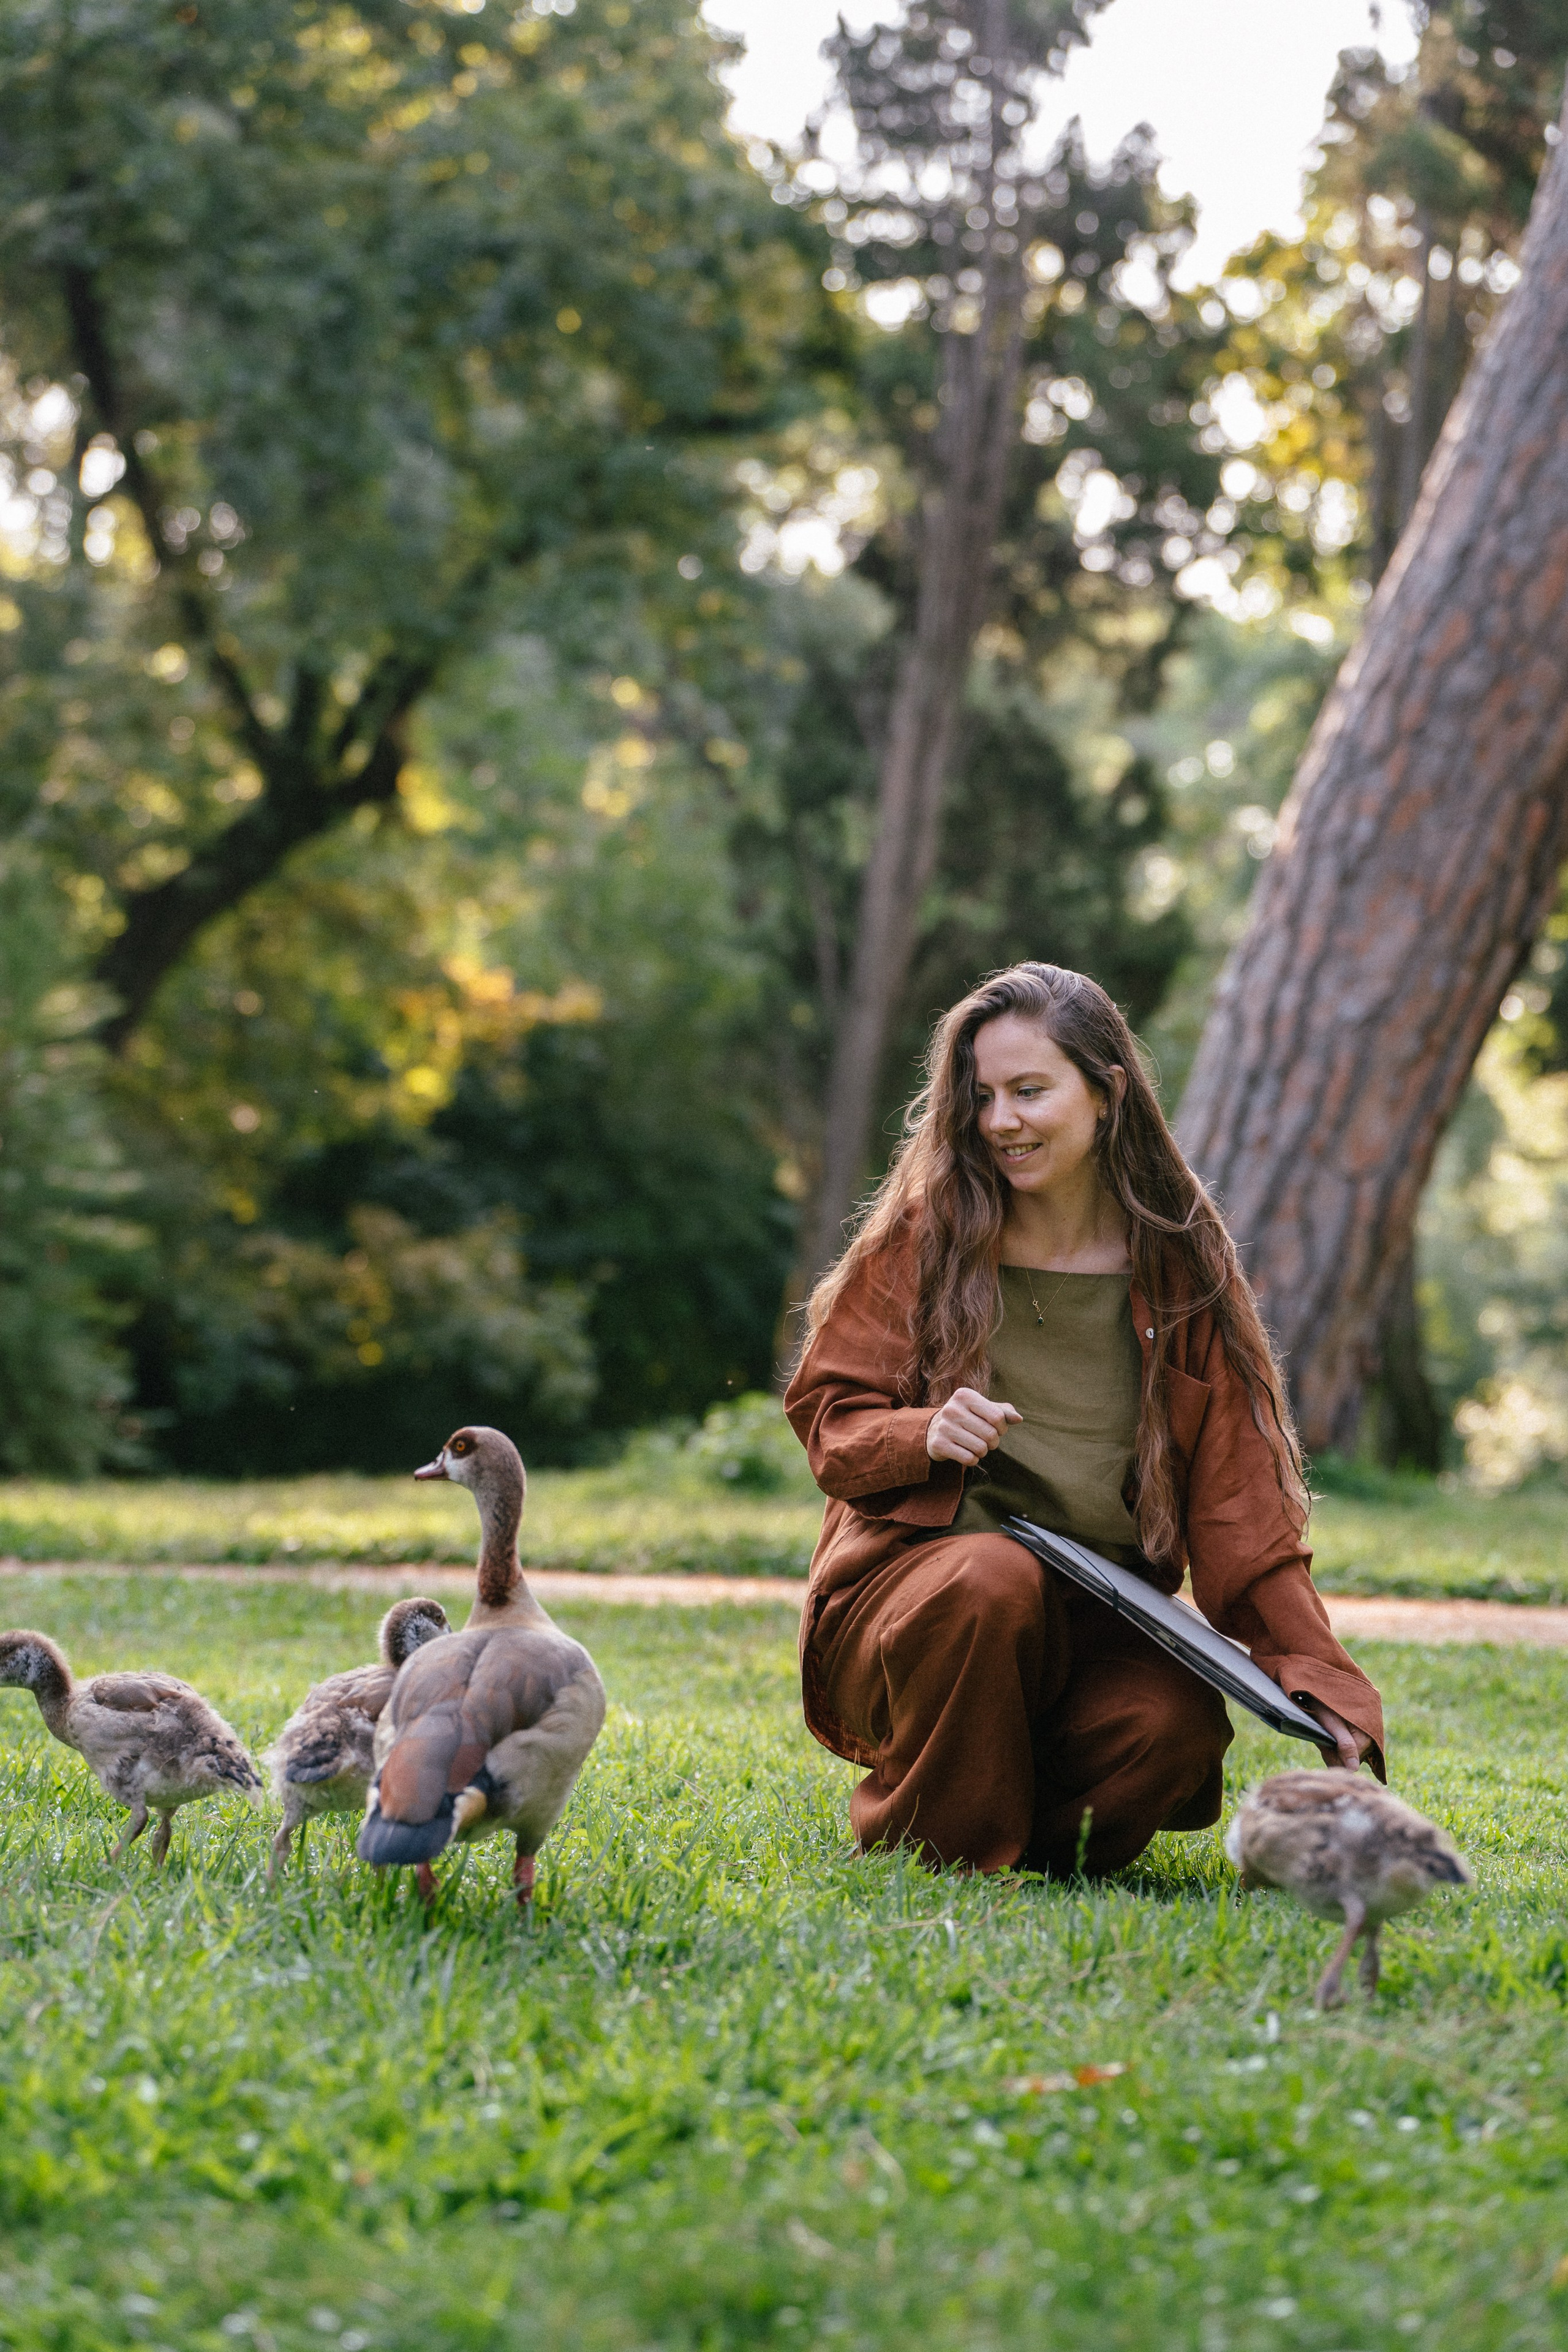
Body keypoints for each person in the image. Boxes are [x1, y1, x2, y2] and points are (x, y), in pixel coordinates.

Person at [785, 962, 1384, 1878]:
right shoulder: (928, 1233)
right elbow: (828, 1414)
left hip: (1098, 1613)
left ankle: (1018, 1826)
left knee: (1174, 1728)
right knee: (993, 1579)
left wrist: (1318, 1679)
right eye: (982, 1097)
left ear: (1105, 1094)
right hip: (919, 1600)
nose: (1000, 1122)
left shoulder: (1181, 1258)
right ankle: (939, 1849)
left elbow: (1241, 1499)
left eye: (1030, 1091)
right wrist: (921, 1432)